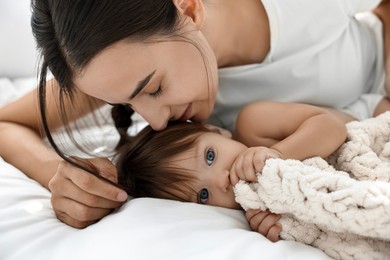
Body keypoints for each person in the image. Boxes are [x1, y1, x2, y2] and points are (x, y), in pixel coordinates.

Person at [0, 0, 388, 235]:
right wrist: (63, 175)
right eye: (130, 105)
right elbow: (6, 123)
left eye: (152, 89)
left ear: (189, 8)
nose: (154, 122)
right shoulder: (115, 70)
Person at [114, 101, 348, 242]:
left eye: (210, 156)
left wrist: (275, 155)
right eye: (203, 195)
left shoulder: (253, 123)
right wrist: (281, 224)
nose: (221, 179)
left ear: (216, 131)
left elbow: (331, 127)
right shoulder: (254, 209)